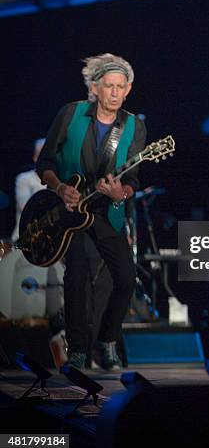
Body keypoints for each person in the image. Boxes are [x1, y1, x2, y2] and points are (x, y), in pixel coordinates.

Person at [37, 53, 146, 370]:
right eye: (108, 86)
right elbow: (45, 162)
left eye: (120, 87)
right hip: (69, 212)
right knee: (78, 275)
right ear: (95, 88)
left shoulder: (132, 126)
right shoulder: (71, 114)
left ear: (128, 90)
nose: (114, 92)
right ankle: (79, 350)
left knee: (126, 278)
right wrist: (59, 188)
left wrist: (119, 193)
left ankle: (108, 339)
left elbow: (132, 181)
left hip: (107, 213)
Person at [11, 138, 46, 242]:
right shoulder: (24, 179)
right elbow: (26, 209)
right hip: (24, 241)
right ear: (35, 157)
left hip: (50, 244)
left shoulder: (60, 182)